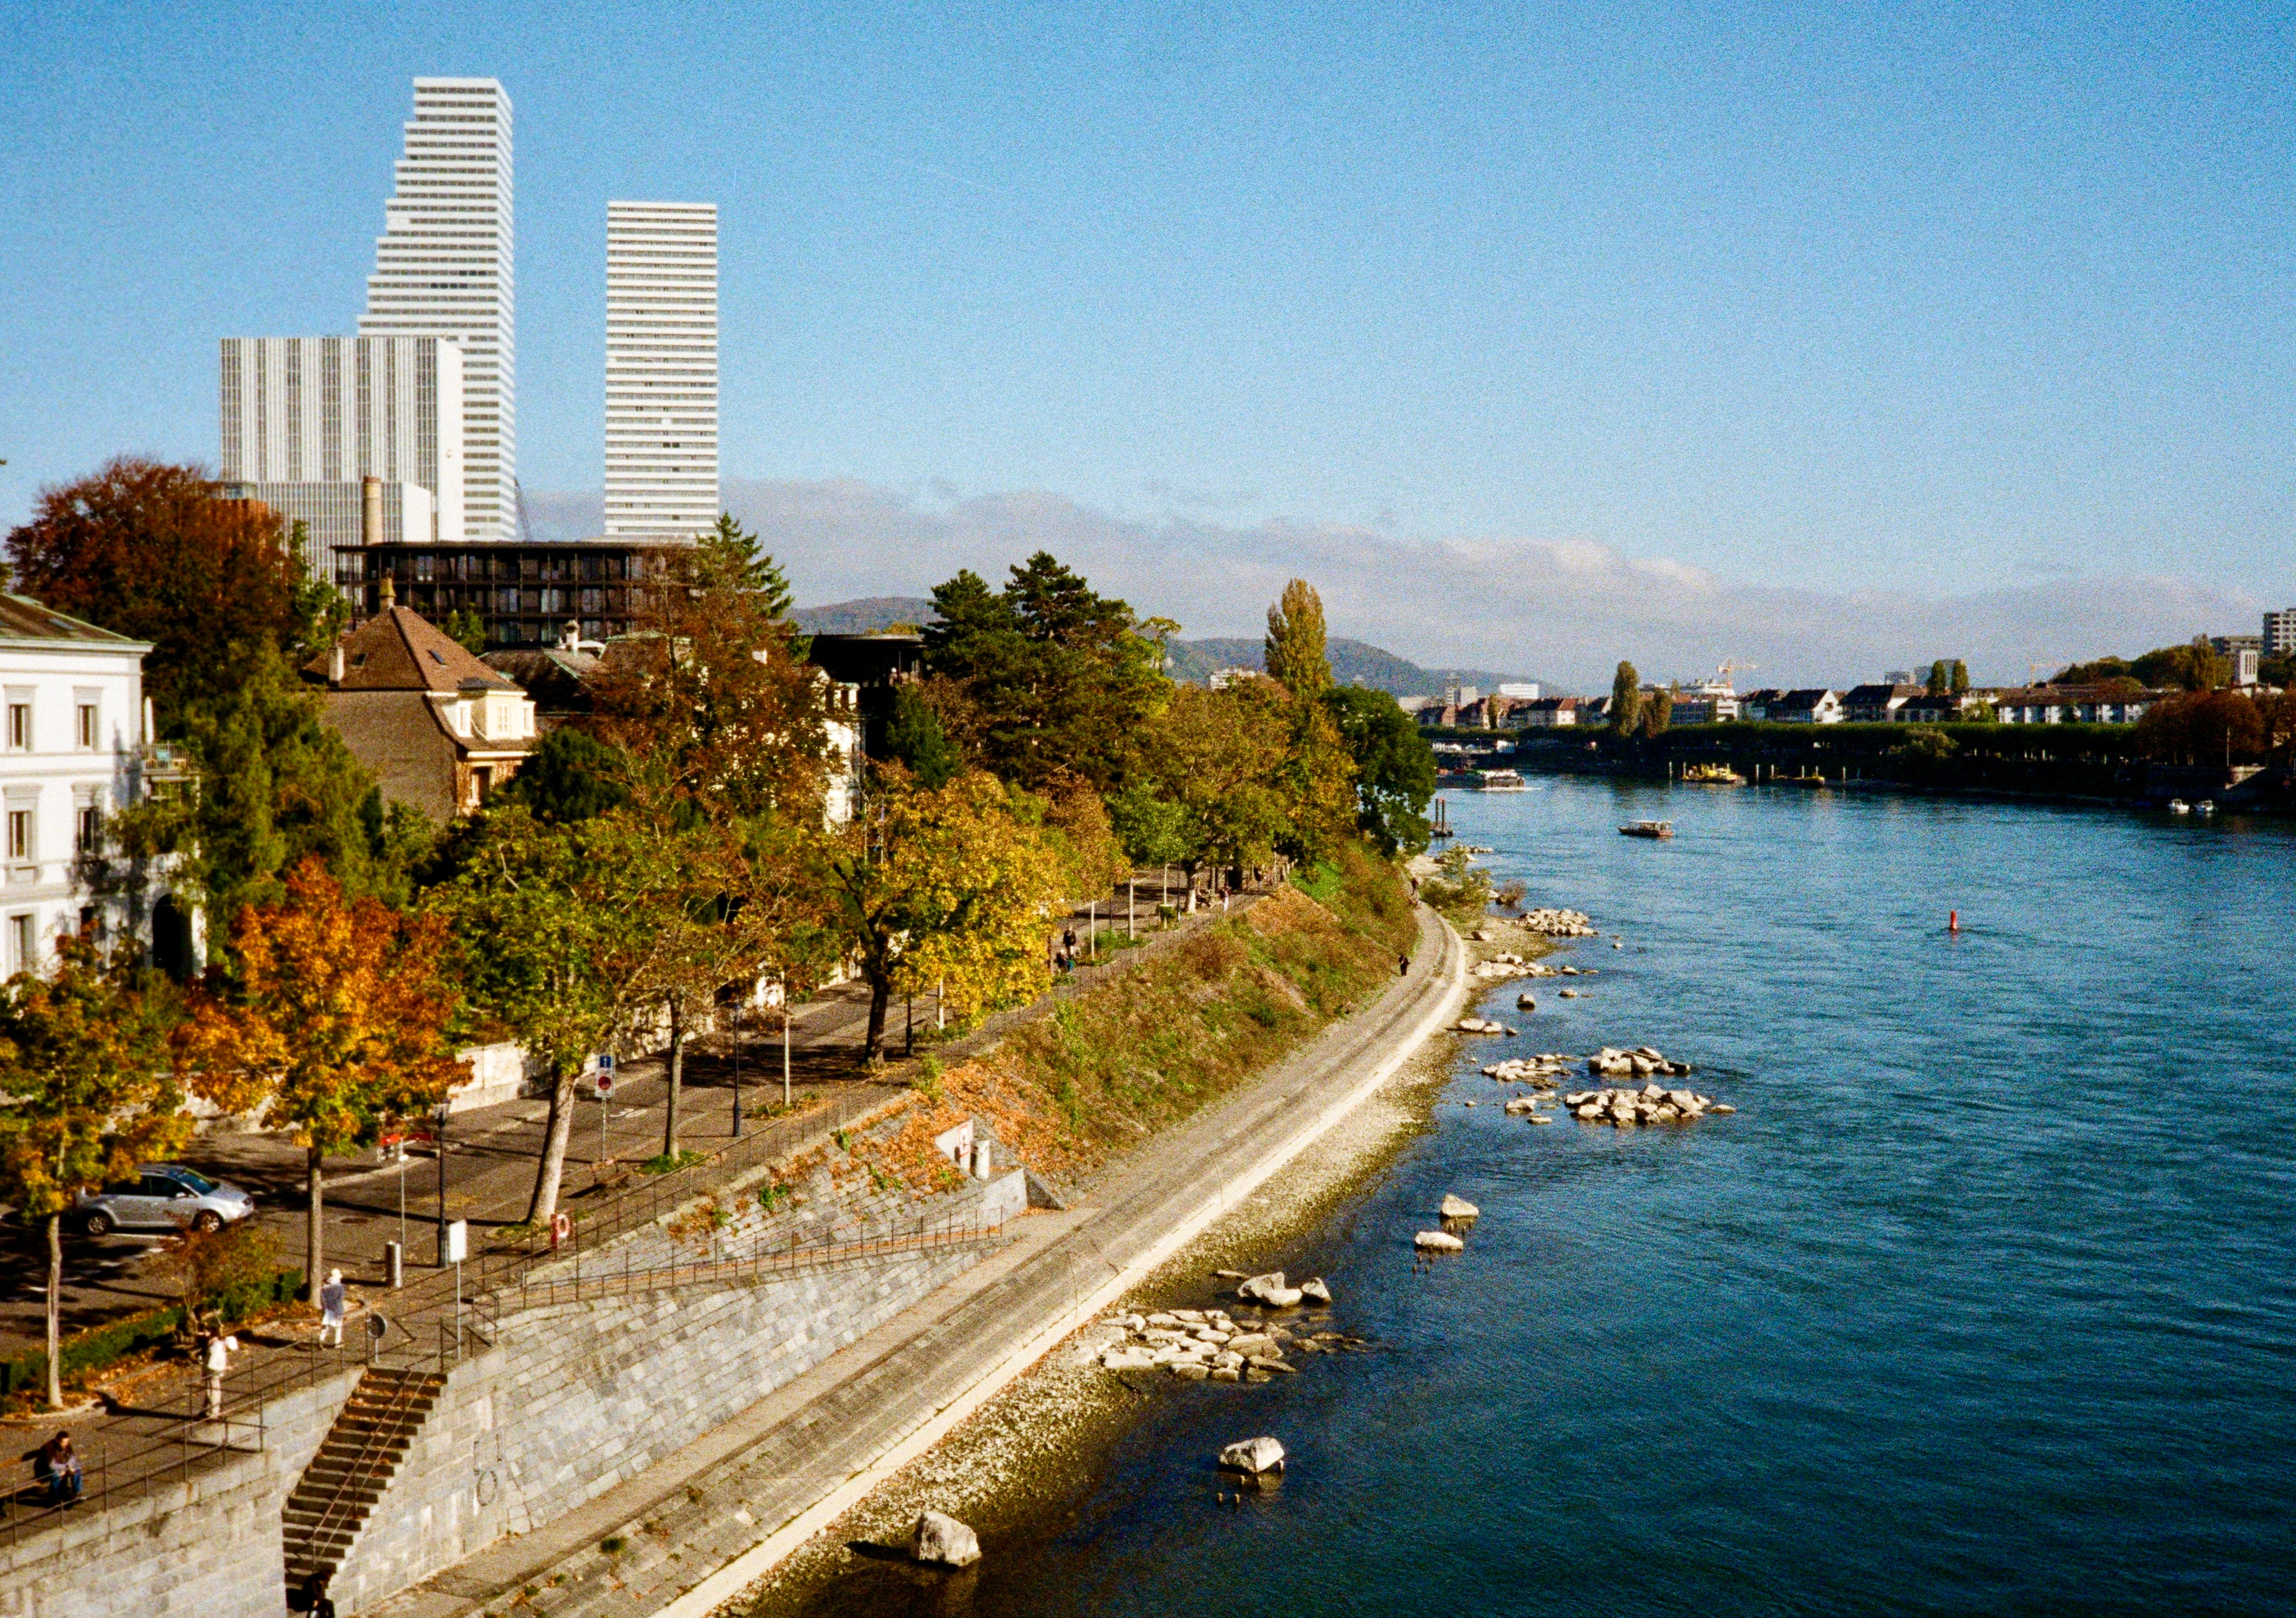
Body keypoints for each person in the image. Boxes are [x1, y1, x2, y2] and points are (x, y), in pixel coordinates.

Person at [23, 1431, 81, 1506]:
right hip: (44, 1470)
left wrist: (69, 1466)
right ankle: (54, 1498)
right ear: (57, 1440)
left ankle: (77, 1493)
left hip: (61, 1467)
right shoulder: (49, 1448)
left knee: (77, 1469)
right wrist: (66, 1468)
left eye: (67, 1442)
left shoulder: (67, 1445)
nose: (65, 1445)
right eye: (63, 1442)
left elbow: (72, 1457)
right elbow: (51, 1466)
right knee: (56, 1475)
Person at [203, 1331, 239, 1420]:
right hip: (212, 1375)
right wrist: (225, 1368)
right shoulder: (217, 1350)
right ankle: (213, 1415)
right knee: (215, 1394)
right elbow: (211, 1365)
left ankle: (207, 1411)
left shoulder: (219, 1346)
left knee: (211, 1393)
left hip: (213, 1374)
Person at [317, 1268, 347, 1348]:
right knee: (338, 1326)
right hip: (336, 1308)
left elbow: (322, 1298)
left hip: (327, 1308)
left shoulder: (325, 1286)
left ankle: (321, 1339)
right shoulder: (340, 1287)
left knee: (325, 1325)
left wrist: (325, 1307)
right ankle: (337, 1342)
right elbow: (340, 1298)